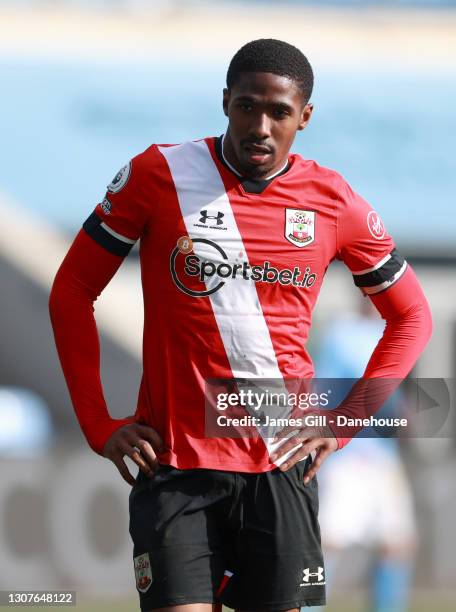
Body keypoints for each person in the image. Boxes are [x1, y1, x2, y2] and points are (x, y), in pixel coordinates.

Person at [49, 39, 432, 612]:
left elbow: (413, 315)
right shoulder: (158, 174)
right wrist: (98, 423)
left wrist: (345, 421)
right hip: (176, 466)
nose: (260, 125)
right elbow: (72, 290)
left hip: (281, 463)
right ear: (225, 101)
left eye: (279, 112)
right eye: (247, 106)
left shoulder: (333, 201)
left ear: (304, 116)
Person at [314, 299, 417, 612]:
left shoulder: (392, 332)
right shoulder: (342, 333)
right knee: (326, 543)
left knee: (397, 545)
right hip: (347, 457)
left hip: (382, 457)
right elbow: (325, 390)